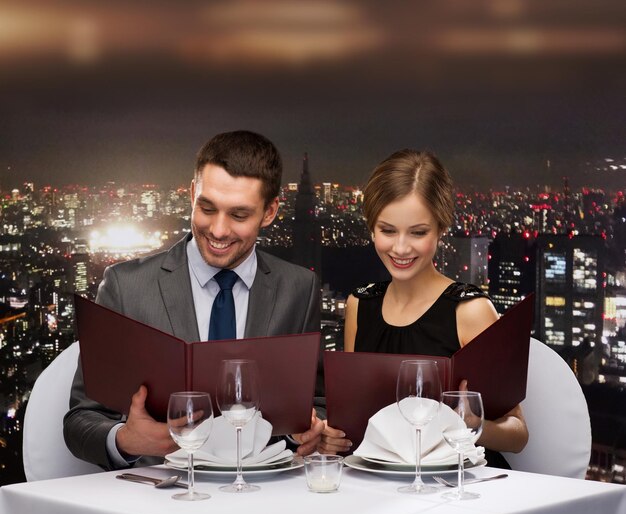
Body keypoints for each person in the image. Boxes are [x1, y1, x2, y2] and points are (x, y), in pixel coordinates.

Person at [64, 130, 324, 470]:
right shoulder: (126, 287)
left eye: (239, 215)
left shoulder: (299, 288)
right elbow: (80, 420)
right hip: (161, 502)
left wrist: (310, 430)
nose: (218, 230)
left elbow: (316, 403)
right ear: (191, 194)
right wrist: (125, 440)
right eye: (207, 207)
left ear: (270, 212)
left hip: (263, 498)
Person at [319, 149, 528, 467]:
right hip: (379, 485)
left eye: (418, 232)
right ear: (371, 228)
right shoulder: (359, 305)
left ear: (441, 230)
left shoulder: (470, 311)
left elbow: (518, 434)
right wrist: (334, 436)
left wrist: (472, 425)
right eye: (387, 230)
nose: (400, 248)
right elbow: (354, 424)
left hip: (455, 488)